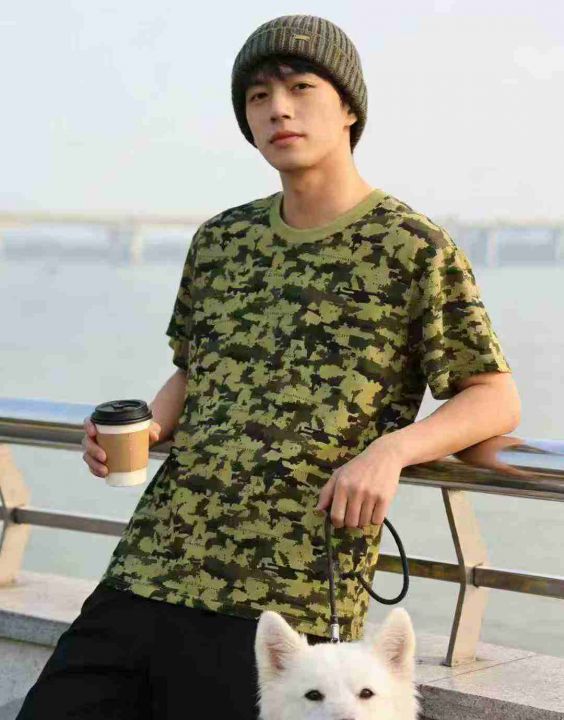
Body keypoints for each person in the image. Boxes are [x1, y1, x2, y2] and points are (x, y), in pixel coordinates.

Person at [16, 13, 520, 720]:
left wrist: (390, 452)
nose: (278, 109)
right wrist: (146, 429)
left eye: (300, 87)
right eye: (257, 96)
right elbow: (194, 372)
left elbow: (493, 397)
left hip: (284, 603)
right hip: (151, 565)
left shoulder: (413, 248)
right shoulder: (222, 240)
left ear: (349, 108)